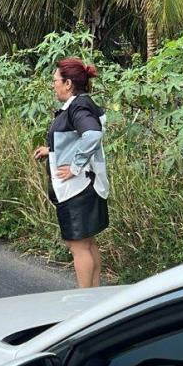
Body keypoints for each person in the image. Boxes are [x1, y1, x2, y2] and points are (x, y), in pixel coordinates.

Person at [32, 57, 109, 288]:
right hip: (88, 184)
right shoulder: (84, 103)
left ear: (68, 84)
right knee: (87, 244)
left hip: (77, 188)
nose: (53, 84)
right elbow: (76, 136)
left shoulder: (78, 106)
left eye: (55, 80)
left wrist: (75, 166)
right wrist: (52, 151)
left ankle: (86, 301)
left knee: (78, 246)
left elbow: (92, 135)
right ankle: (94, 299)